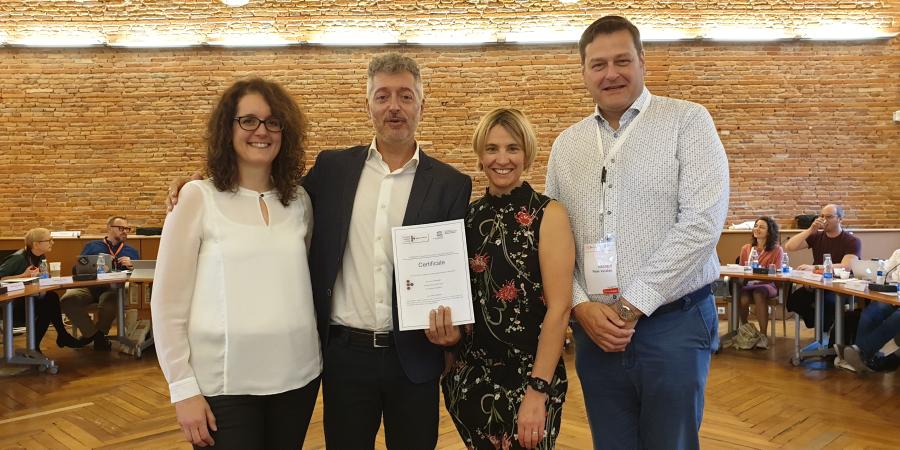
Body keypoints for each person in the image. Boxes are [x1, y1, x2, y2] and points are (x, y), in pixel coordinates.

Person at [166, 53, 472, 449]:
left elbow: (457, 268)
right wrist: (201, 179)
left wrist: (453, 332)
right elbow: (263, 186)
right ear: (368, 106)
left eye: (405, 96)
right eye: (382, 96)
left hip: (413, 358)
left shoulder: (452, 184)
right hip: (344, 359)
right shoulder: (332, 170)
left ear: (421, 105)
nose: (393, 106)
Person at [545, 15, 728, 449]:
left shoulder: (687, 122)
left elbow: (702, 223)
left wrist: (632, 305)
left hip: (674, 325)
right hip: (596, 331)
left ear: (643, 61)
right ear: (584, 72)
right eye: (598, 64)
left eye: (622, 60)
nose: (611, 73)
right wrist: (580, 304)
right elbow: (552, 238)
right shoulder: (566, 145)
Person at [152, 78, 321, 449]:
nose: (261, 131)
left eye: (273, 122)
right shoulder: (198, 198)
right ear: (227, 129)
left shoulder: (300, 202)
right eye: (248, 121)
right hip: (224, 386)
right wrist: (182, 389)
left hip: (298, 378)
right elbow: (166, 304)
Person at [439, 108, 574, 449]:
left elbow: (559, 308)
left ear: (526, 153)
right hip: (470, 380)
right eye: (492, 148)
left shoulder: (549, 214)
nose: (502, 159)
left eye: (512, 148)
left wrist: (538, 389)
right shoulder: (466, 218)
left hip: (530, 379)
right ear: (480, 155)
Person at [60, 216, 139, 351]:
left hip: (114, 290)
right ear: (109, 228)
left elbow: (139, 276)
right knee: (67, 300)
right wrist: (94, 265)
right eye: (121, 228)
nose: (125, 231)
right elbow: (76, 269)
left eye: (127, 228)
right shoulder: (92, 246)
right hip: (89, 288)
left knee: (109, 302)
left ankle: (99, 334)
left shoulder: (131, 251)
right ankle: (95, 336)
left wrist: (132, 266)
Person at [0, 228, 84, 352]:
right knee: (50, 302)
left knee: (51, 298)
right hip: (11, 305)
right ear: (36, 244)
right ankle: (57, 337)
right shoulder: (18, 258)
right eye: (49, 240)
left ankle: (42, 343)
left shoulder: (40, 257)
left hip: (28, 299)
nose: (52, 243)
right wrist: (22, 276)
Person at [784, 204, 861, 332]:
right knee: (794, 300)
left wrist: (814, 268)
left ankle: (826, 335)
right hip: (816, 284)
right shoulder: (817, 236)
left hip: (839, 287)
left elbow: (846, 266)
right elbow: (790, 246)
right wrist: (810, 230)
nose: (824, 220)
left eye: (829, 217)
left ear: (840, 219)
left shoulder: (852, 241)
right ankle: (821, 328)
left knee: (827, 304)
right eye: (821, 216)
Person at [842, 249, 900, 373]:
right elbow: (882, 270)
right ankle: (864, 359)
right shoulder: (898, 253)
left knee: (897, 318)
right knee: (873, 311)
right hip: (895, 296)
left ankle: (861, 353)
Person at [735, 216, 784, 349]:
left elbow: (777, 273)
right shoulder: (746, 248)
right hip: (750, 284)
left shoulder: (777, 249)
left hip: (768, 285)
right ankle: (745, 331)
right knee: (743, 298)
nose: (757, 229)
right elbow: (741, 270)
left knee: (759, 293)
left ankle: (763, 335)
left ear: (769, 231)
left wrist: (760, 273)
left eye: (761, 227)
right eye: (756, 226)